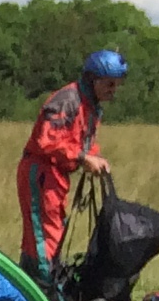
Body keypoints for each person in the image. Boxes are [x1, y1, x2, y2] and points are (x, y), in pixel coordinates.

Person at [20, 47, 124, 288]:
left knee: (53, 228)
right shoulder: (68, 99)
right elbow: (46, 140)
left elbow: (82, 140)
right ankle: (43, 290)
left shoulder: (92, 106)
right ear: (93, 79)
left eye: (117, 84)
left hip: (58, 175)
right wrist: (82, 158)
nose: (113, 90)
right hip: (42, 171)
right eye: (109, 84)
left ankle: (33, 286)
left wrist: (94, 157)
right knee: (45, 234)